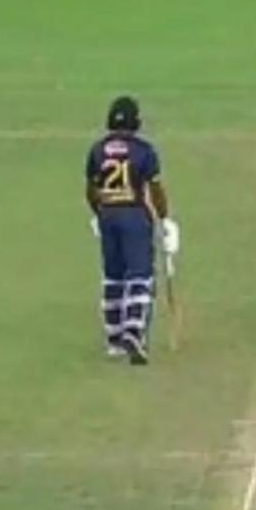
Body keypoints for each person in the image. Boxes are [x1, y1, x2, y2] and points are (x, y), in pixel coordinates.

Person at [85, 96, 180, 364]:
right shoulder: (143, 150)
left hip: (108, 214)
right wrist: (164, 219)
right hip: (134, 215)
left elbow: (91, 189)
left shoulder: (97, 150)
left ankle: (114, 338)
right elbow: (155, 188)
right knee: (140, 275)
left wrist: (98, 214)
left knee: (113, 276)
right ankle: (134, 331)